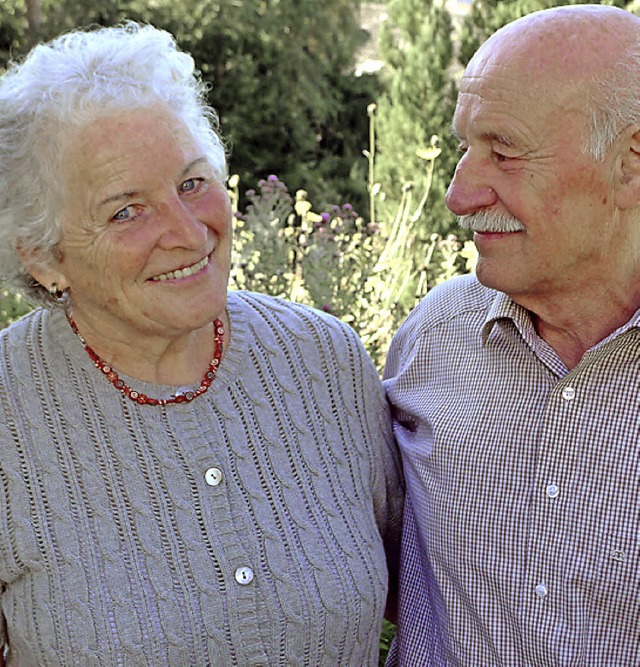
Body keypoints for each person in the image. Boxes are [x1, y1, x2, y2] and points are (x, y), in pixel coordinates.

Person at [0, 22, 403, 666]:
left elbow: (414, 591)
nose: (189, 234)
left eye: (191, 183)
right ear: (44, 256)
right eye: (125, 210)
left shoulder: (325, 361)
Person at [383, 4, 640, 665]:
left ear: (631, 159)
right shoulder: (434, 339)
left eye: (503, 151)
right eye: (468, 148)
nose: (458, 194)